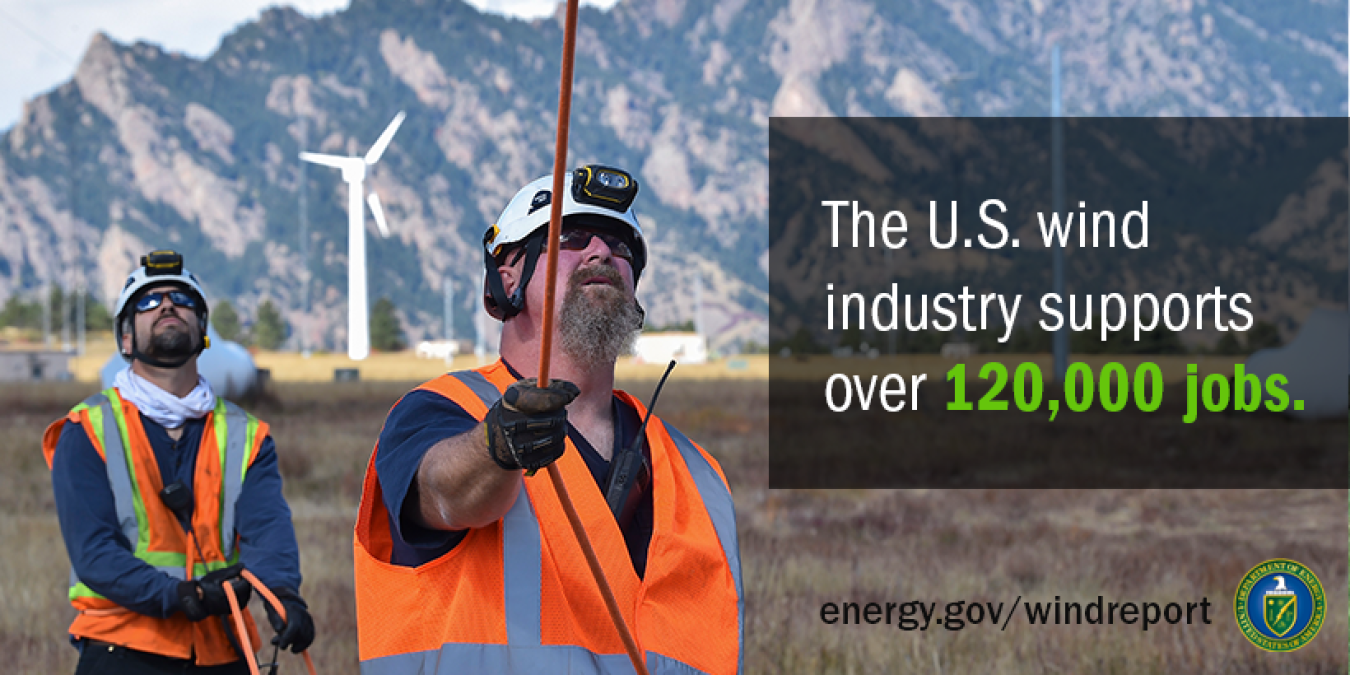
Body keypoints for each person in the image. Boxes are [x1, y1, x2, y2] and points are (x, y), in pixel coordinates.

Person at [354, 165, 743, 674]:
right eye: (572, 237)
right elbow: (446, 494)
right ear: (507, 275)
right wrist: (494, 448)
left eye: (621, 246)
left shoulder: (700, 476)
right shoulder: (442, 411)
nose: (602, 252)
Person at [42, 250, 315, 674]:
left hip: (224, 650)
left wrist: (284, 597)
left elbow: (267, 532)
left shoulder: (247, 435)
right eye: (149, 302)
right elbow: (94, 553)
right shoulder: (86, 429)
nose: (167, 305)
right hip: (123, 648)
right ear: (127, 339)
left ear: (203, 331)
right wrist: (181, 595)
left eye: (182, 300)